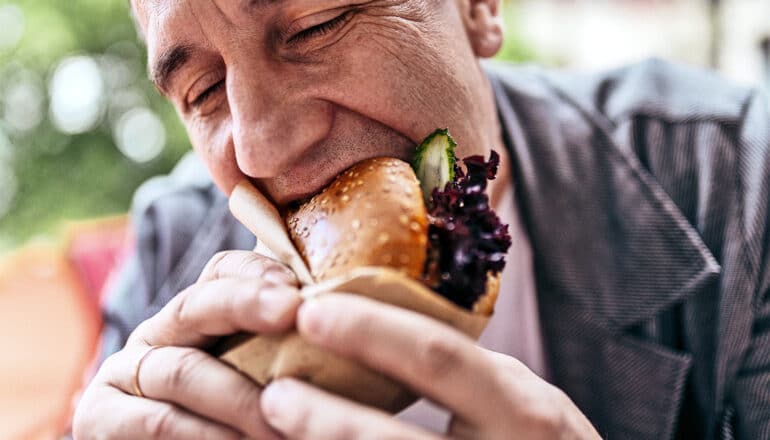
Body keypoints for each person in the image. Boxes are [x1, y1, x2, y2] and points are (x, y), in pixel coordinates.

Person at [73, 1, 770, 439]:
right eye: (204, 91)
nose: (260, 145)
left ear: (476, 8)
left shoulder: (738, 183)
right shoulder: (171, 253)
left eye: (319, 24)